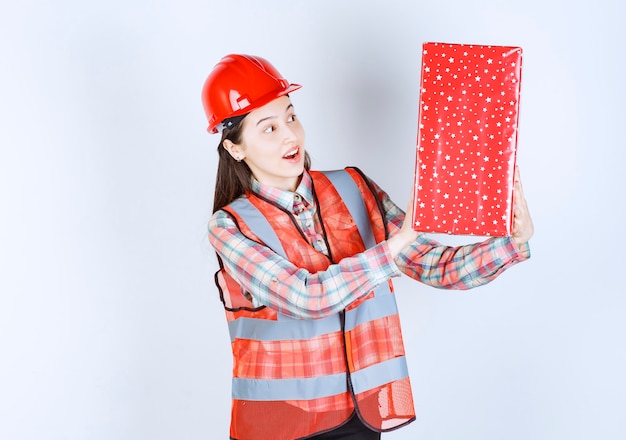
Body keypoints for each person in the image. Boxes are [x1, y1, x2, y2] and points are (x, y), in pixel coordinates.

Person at [202, 54, 533, 440]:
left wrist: (512, 242)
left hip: (361, 418)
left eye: (291, 116)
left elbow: (435, 265)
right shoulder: (229, 226)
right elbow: (308, 298)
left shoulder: (353, 187)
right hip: (280, 425)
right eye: (269, 128)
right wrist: (397, 244)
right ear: (236, 149)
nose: (289, 135)